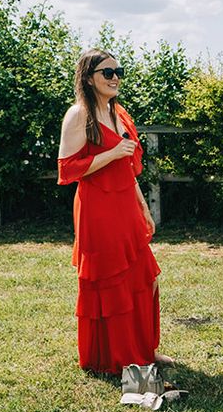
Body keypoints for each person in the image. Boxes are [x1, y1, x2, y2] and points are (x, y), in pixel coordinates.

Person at [57, 48, 171, 375]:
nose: (115, 77)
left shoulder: (119, 113)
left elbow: (127, 169)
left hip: (125, 204)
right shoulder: (78, 115)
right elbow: (67, 169)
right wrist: (112, 152)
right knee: (112, 282)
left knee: (144, 278)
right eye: (107, 72)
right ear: (89, 79)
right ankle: (118, 357)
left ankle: (145, 349)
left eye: (118, 70)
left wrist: (143, 208)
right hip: (97, 208)